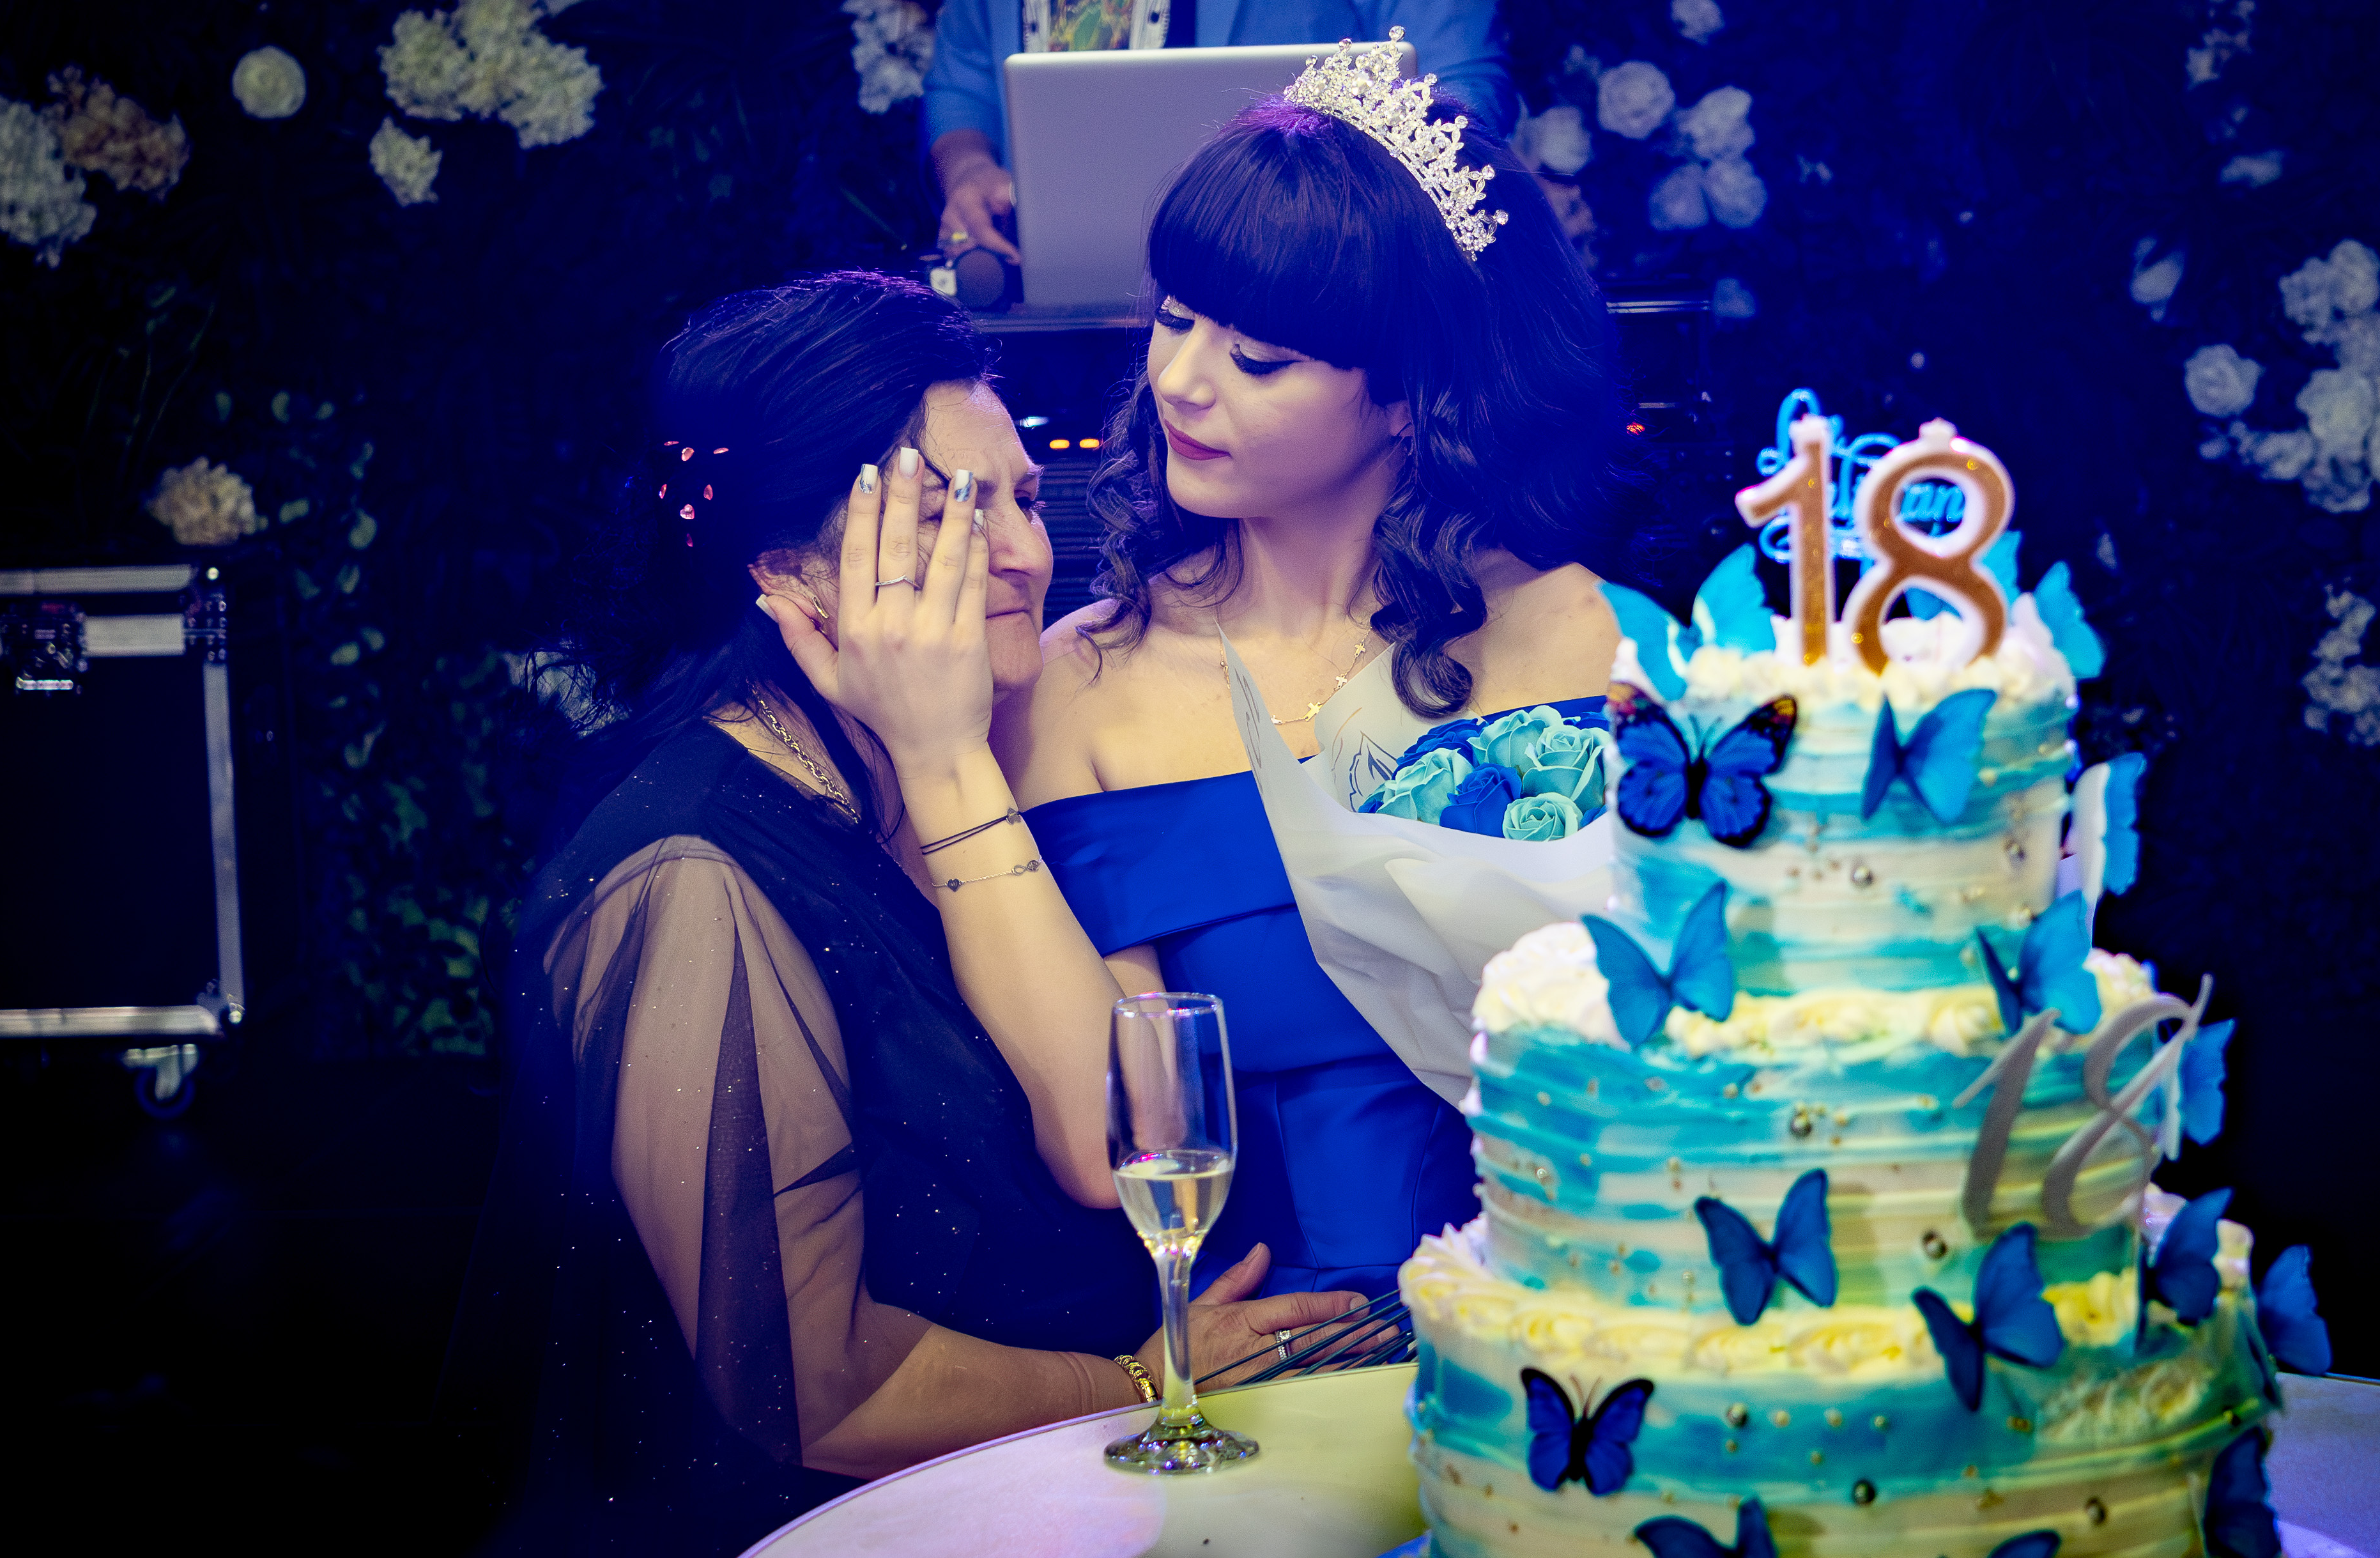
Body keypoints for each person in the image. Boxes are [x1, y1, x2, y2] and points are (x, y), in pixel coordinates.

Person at [449, 271, 1358, 1556]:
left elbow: (1123, 1133)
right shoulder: (692, 877)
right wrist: (1134, 1383)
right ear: (787, 572)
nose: (1025, 553)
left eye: (1025, 499)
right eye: (950, 515)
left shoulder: (951, 764)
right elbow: (810, 1382)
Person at [776, 47, 1642, 1301]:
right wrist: (944, 759)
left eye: (1258, 358)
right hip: (1280, 1348)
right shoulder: (1077, 690)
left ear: (1409, 396)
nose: (1178, 381)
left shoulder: (1587, 641)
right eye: (1176, 319)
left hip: (1601, 1319)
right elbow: (1107, 1142)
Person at [925, 0, 1514, 263]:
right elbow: (961, 88)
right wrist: (969, 168)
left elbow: (1460, 89)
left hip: (1312, 288)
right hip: (1047, 292)